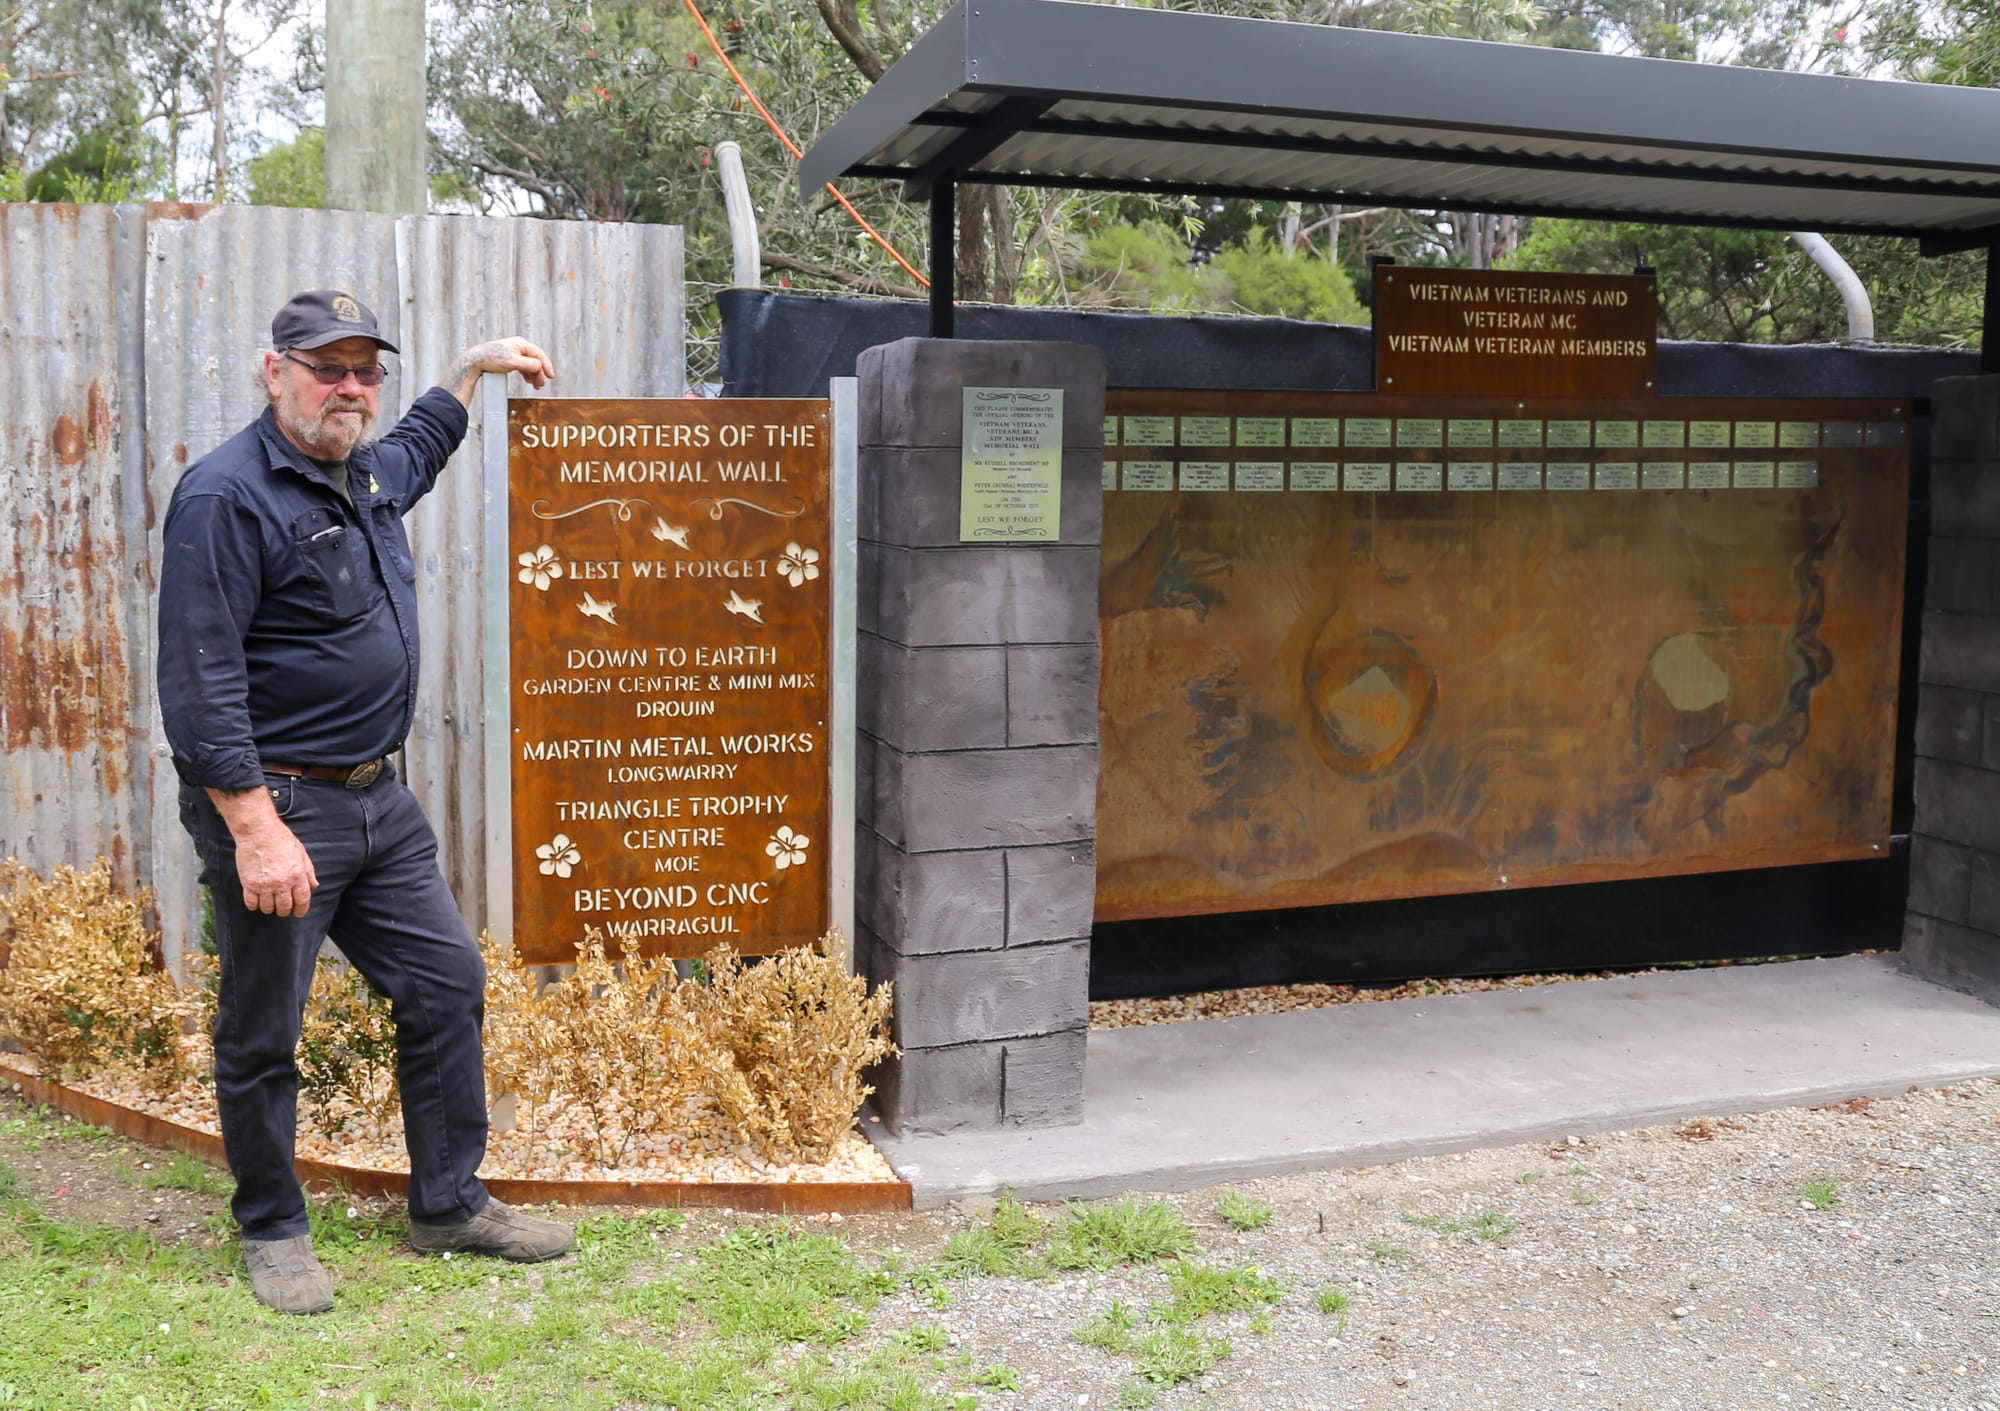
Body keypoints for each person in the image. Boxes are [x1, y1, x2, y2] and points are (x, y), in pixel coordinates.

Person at [157, 289, 567, 1315]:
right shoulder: (226, 495)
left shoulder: (369, 467)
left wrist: (470, 367)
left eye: (364, 371)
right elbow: (198, 685)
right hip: (280, 806)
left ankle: (446, 1201)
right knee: (263, 1028)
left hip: (380, 804)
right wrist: (254, 830)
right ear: (274, 371)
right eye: (325, 367)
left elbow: (426, 438)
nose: (349, 388)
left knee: (444, 983)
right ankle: (273, 1228)